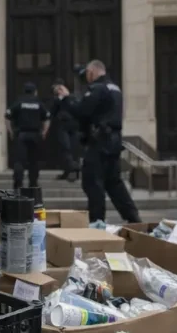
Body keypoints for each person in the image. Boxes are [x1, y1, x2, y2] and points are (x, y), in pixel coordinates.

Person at [55, 60, 142, 226]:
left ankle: (96, 222)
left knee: (92, 182)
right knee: (114, 183)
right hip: (113, 142)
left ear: (91, 72)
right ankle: (133, 218)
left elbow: (81, 111)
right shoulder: (115, 88)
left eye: (86, 75)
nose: (86, 79)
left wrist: (66, 98)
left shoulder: (97, 89)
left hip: (100, 143)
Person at [6, 82, 50, 190]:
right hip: (35, 135)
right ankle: (33, 184)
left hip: (21, 135)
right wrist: (44, 132)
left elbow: (7, 116)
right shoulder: (38, 103)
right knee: (34, 161)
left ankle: (18, 183)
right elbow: (47, 118)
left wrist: (10, 131)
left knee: (19, 161)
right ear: (35, 92)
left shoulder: (19, 102)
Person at [50, 77, 81, 181]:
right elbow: (52, 112)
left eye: (57, 88)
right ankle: (69, 170)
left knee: (72, 149)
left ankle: (74, 171)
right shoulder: (57, 100)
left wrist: (66, 97)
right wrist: (59, 99)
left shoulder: (72, 98)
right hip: (62, 126)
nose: (55, 91)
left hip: (72, 126)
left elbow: (77, 109)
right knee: (65, 148)